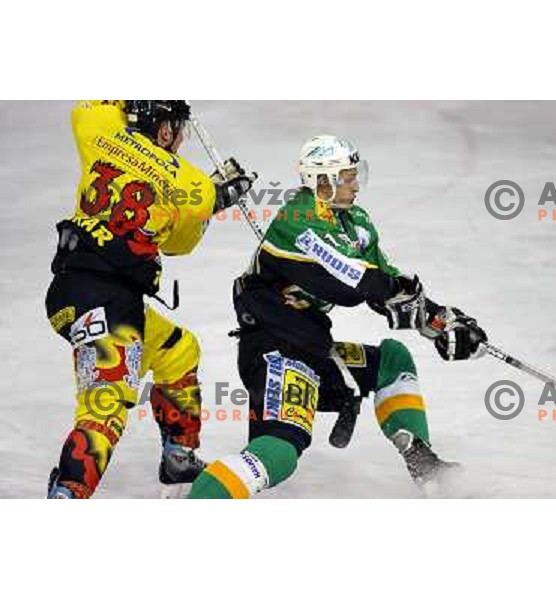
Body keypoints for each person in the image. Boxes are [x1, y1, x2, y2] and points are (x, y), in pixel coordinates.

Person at [188, 134, 487, 499]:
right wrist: (395, 291)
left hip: (313, 348)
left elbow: (387, 284)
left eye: (354, 174)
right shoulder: (296, 220)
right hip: (275, 352)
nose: (355, 184)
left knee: (392, 360)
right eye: (347, 176)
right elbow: (351, 284)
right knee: (280, 452)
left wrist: (441, 323)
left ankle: (423, 463)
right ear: (322, 181)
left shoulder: (355, 221)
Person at [45, 100, 254, 498]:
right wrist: (217, 198)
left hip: (70, 290)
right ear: (164, 131)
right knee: (103, 408)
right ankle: (67, 497)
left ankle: (179, 458)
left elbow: (90, 106)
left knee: (178, 350)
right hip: (110, 304)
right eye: (177, 129)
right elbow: (179, 245)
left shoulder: (102, 130)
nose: (180, 138)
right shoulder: (192, 186)